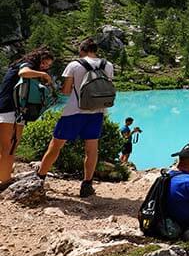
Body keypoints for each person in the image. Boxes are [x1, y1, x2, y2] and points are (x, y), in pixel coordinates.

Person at [38, 39, 114, 198]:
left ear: (82, 50)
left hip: (74, 111)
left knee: (56, 145)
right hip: (97, 112)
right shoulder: (108, 65)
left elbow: (66, 91)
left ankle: (39, 179)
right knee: (92, 149)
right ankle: (87, 185)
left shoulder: (74, 65)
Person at [0, 47, 54, 188]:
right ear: (37, 59)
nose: (45, 67)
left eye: (48, 66)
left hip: (12, 110)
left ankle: (4, 177)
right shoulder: (26, 65)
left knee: (8, 148)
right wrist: (44, 75)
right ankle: (4, 182)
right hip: (10, 110)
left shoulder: (24, 65)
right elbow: (23, 72)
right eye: (44, 63)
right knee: (9, 149)